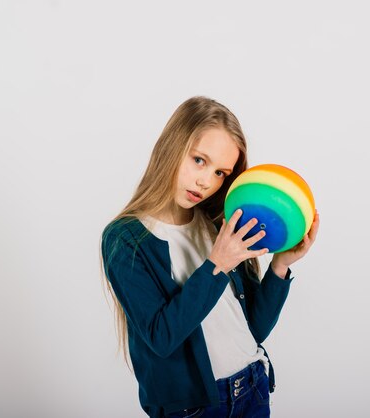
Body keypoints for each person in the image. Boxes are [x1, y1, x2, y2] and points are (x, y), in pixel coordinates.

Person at [100, 96, 319, 418]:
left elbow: (253, 328)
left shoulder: (219, 225)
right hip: (197, 407)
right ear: (171, 147)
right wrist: (217, 264)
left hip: (253, 385)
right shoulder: (126, 239)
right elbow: (162, 338)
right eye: (199, 160)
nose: (206, 182)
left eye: (220, 172)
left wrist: (280, 265)